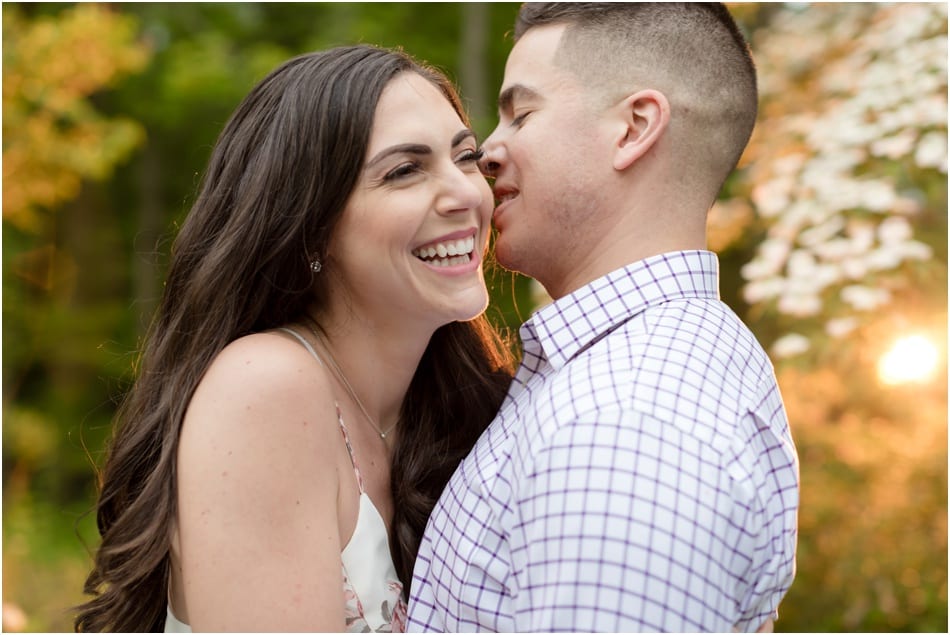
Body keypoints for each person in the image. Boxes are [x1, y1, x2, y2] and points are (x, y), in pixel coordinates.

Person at [74, 44, 515, 633]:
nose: (466, 194)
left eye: (465, 157)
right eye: (405, 170)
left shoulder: (464, 404)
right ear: (311, 229)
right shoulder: (266, 386)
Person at [408, 3, 800, 632]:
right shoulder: (650, 368)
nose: (488, 150)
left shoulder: (625, 417)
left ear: (633, 128)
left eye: (521, 113)